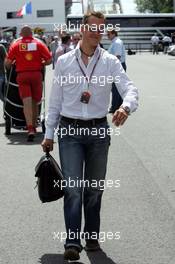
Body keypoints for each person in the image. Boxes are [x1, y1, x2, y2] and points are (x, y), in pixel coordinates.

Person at [42, 11, 138, 261]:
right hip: (70, 131)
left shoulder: (109, 61)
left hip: (98, 131)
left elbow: (129, 88)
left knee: (94, 189)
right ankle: (72, 240)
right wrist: (49, 133)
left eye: (101, 28)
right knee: (73, 188)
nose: (98, 32)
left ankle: (92, 235)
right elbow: (54, 103)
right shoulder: (63, 62)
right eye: (93, 27)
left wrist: (125, 106)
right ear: (82, 30)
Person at [5, 25, 52, 141]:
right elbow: (49, 60)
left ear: (21, 35)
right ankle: (35, 125)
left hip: (22, 76)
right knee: (36, 101)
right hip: (36, 75)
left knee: (26, 102)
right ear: (31, 34)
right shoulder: (39, 44)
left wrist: (10, 67)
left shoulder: (16, 45)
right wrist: (41, 63)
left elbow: (8, 62)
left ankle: (30, 128)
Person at [107, 29, 126, 113]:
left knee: (115, 88)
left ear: (113, 34)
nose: (107, 36)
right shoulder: (115, 41)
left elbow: (117, 56)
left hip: (117, 66)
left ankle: (114, 107)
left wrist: (111, 67)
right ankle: (118, 105)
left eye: (108, 34)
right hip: (118, 65)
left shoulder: (117, 42)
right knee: (117, 87)